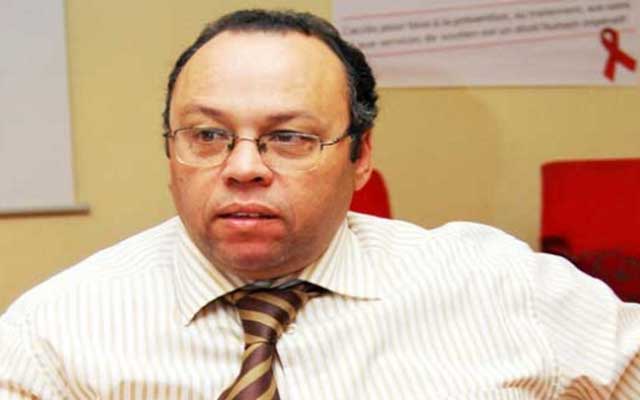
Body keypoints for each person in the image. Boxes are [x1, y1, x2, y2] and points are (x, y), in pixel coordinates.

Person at [1, 8, 639, 400]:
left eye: (289, 137)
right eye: (207, 135)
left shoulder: (503, 288)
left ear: (360, 156)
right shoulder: (53, 337)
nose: (243, 168)